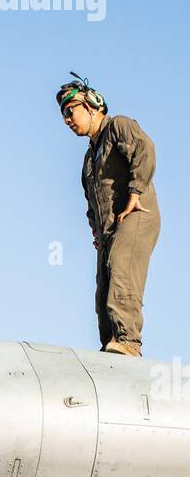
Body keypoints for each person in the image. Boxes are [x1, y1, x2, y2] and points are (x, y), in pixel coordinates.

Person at [57, 73, 160, 356]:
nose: (67, 119)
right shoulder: (89, 159)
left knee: (121, 267)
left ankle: (128, 341)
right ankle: (111, 347)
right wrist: (97, 231)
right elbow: (92, 201)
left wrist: (136, 193)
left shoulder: (118, 126)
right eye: (63, 115)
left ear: (91, 105)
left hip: (137, 214)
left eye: (70, 110)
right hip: (110, 230)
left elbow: (144, 150)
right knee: (103, 288)